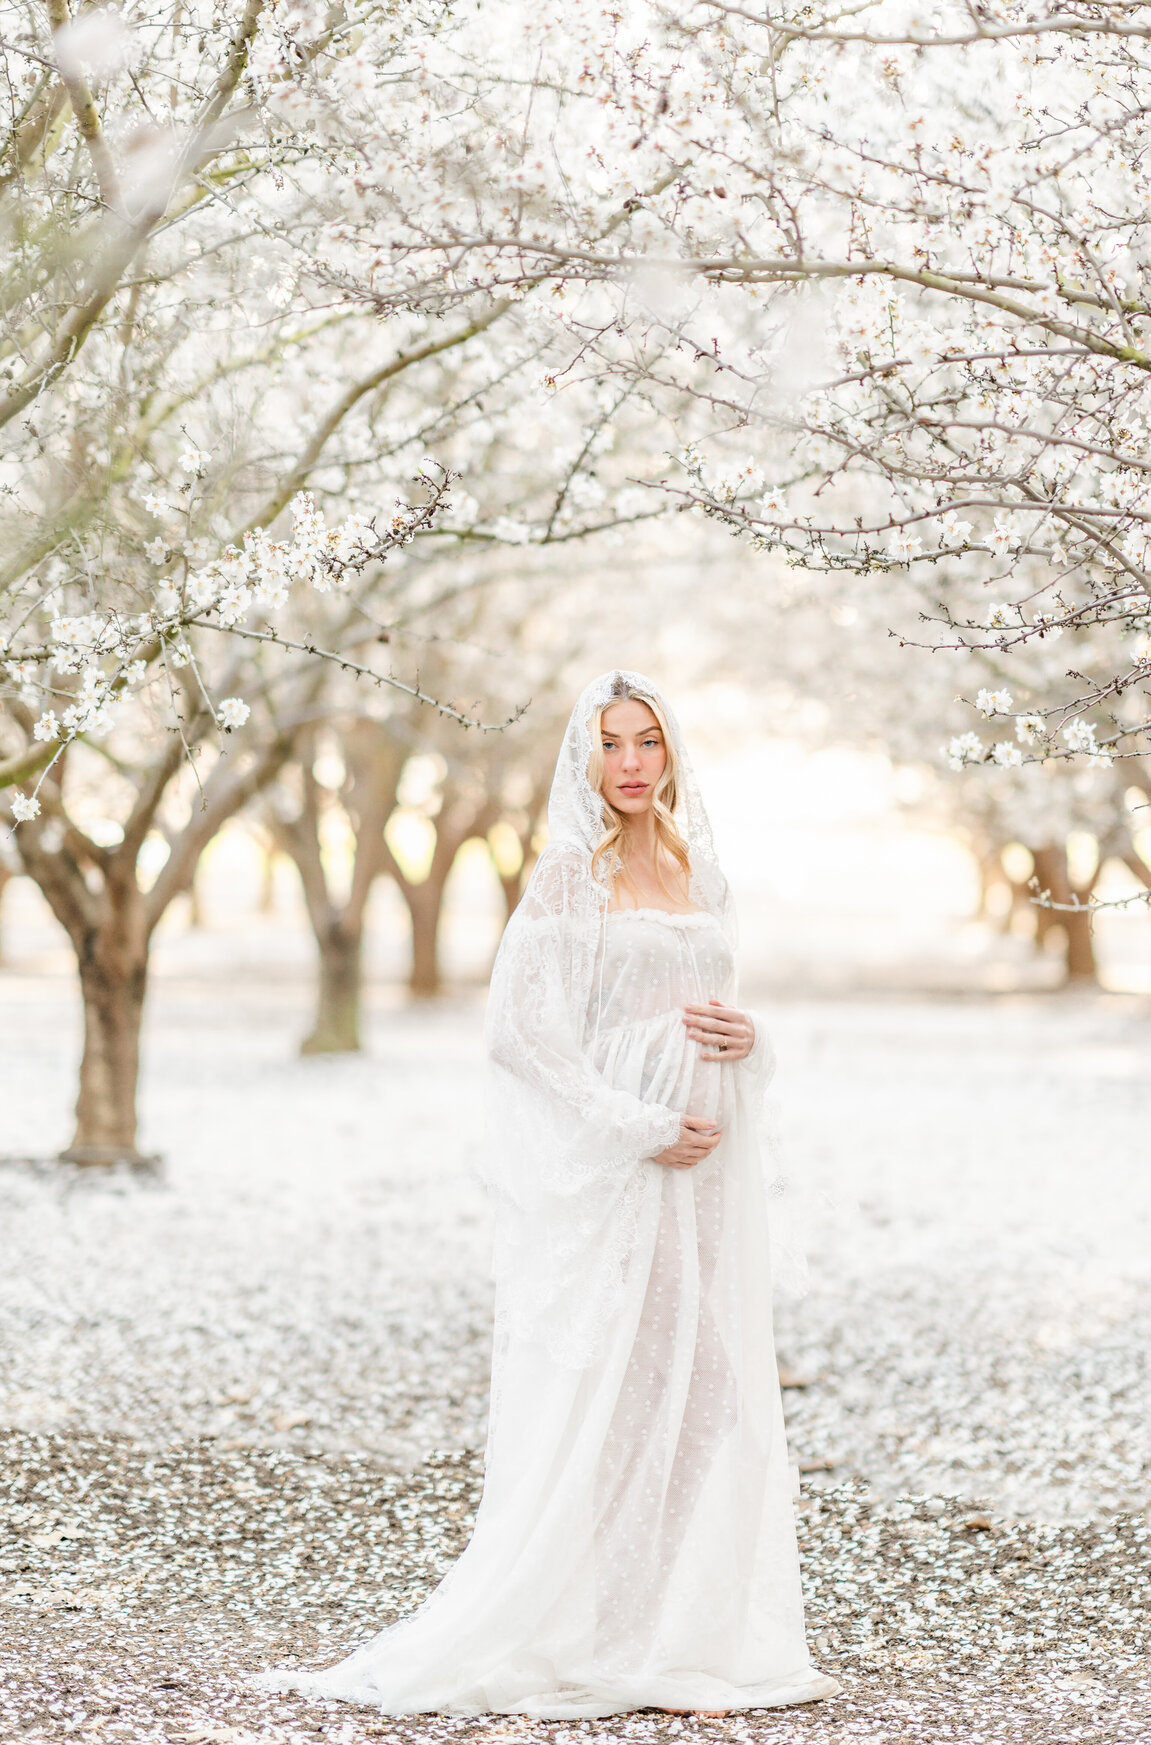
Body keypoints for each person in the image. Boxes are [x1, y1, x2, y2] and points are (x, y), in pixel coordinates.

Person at [255, 669, 838, 1719]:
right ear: (584, 758)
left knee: (708, 1392)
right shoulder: (571, 872)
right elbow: (520, 1032)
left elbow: (715, 1003)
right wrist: (638, 1123)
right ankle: (616, 1638)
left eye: (646, 741)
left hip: (710, 1173)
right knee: (625, 1393)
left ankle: (665, 1627)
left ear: (670, 752)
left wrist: (752, 1043)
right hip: (624, 1170)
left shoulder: (700, 867)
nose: (629, 762)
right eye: (610, 744)